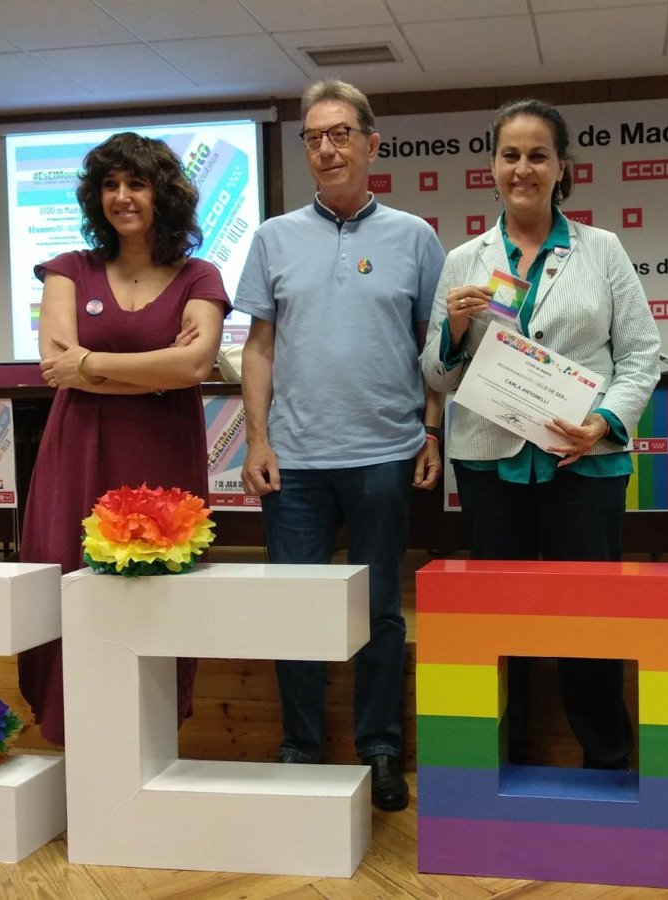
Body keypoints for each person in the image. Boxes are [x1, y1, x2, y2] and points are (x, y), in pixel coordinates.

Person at [420, 98, 661, 771]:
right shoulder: (464, 260)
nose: (522, 168)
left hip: (585, 465)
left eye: (537, 155)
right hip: (490, 467)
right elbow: (436, 375)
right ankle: (506, 755)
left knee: (591, 617)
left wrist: (604, 423)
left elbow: (641, 354)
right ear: (492, 167)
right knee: (501, 617)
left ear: (562, 167)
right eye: (510, 155)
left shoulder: (602, 250)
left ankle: (607, 758)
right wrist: (455, 330)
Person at [235, 79, 444, 812]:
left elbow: (436, 349)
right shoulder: (273, 237)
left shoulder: (415, 238)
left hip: (386, 452)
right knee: (295, 609)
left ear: (371, 144)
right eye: (313, 137)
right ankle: (301, 746)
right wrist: (256, 439)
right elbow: (258, 348)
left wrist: (431, 430)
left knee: (379, 607)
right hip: (294, 461)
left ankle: (380, 748)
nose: (326, 148)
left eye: (340, 134)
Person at [19, 132, 231, 746]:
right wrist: (154, 371)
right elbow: (57, 367)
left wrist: (92, 364)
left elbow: (195, 366)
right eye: (109, 185)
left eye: (136, 183)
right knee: (68, 579)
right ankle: (74, 736)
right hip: (80, 450)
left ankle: (150, 737)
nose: (122, 196)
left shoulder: (199, 275)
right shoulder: (68, 269)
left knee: (159, 590)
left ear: (164, 194)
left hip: (165, 457)